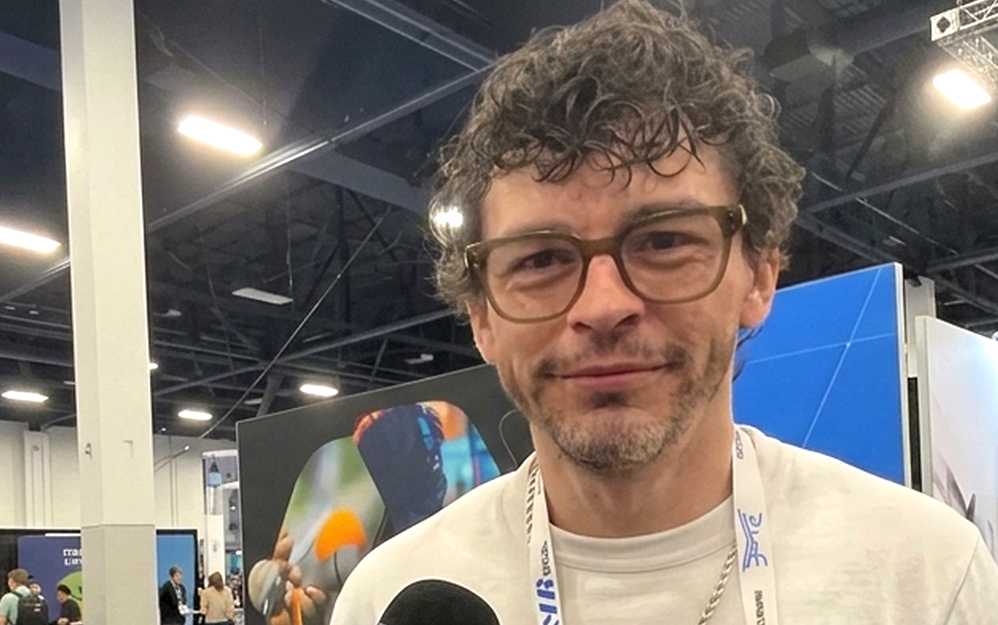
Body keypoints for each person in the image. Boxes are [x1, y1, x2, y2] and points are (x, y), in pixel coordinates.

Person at [330, 1, 998, 623]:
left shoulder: (927, 577)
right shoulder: (384, 598)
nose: (603, 306)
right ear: (481, 316)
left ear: (760, 274)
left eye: (664, 241)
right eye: (540, 258)